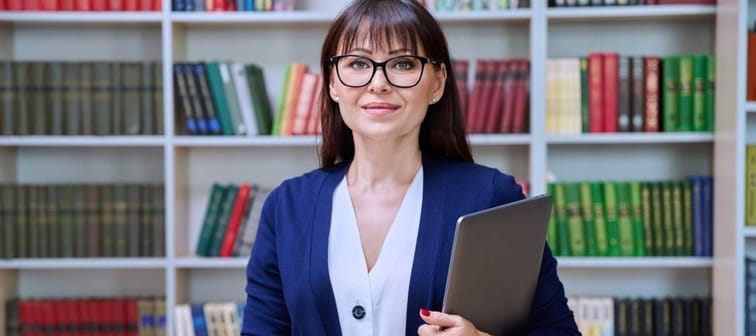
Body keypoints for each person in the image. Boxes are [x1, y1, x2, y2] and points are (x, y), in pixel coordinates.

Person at [242, 0, 580, 335]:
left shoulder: (491, 197)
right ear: (332, 83)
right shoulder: (287, 206)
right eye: (358, 63)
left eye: (403, 64)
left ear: (437, 83)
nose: (378, 83)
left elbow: (558, 331)